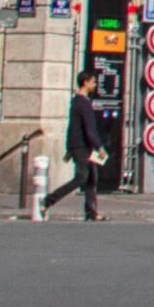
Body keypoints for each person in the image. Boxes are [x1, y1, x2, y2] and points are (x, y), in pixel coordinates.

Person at [43, 69, 110, 221]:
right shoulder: (83, 103)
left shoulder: (76, 101)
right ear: (86, 82)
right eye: (93, 81)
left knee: (92, 179)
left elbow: (72, 127)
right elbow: (89, 129)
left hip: (80, 146)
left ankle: (91, 212)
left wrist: (69, 148)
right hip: (83, 148)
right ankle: (48, 200)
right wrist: (100, 148)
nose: (95, 84)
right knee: (81, 178)